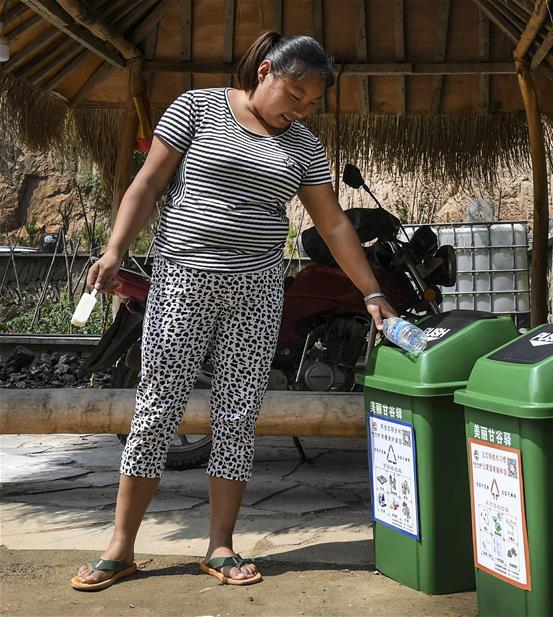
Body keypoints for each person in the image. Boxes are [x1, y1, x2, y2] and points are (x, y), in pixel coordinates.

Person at [72, 32, 396, 590]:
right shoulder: (197, 107)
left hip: (258, 291)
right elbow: (147, 183)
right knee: (156, 409)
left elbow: (333, 223)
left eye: (312, 102)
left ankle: (220, 545)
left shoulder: (304, 146)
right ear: (265, 71)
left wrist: (371, 291)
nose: (301, 109)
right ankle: (120, 548)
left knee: (238, 415)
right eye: (294, 94)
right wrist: (115, 249)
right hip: (183, 280)